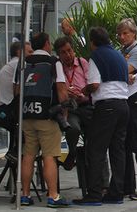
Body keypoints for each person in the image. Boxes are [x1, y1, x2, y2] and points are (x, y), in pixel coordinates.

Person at [73, 27, 130, 206]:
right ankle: (117, 192)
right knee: (117, 150)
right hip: (123, 105)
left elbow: (95, 84)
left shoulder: (96, 56)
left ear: (92, 42)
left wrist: (84, 90)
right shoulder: (119, 56)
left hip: (106, 106)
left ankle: (95, 193)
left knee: (95, 149)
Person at [15, 32, 70, 207]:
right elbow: (61, 89)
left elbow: (16, 90)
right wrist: (65, 111)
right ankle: (53, 196)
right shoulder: (54, 63)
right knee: (49, 156)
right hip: (47, 115)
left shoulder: (23, 63)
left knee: (28, 154)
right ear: (47, 43)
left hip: (27, 114)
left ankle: (24, 195)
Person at [116, 18, 137, 201]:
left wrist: (123, 71)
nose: (122, 37)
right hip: (122, 98)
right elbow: (117, 70)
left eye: (125, 33)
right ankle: (127, 186)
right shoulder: (119, 51)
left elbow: (119, 69)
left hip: (135, 99)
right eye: (120, 34)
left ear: (134, 34)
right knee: (125, 144)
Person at [54, 36, 91, 171]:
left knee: (94, 134)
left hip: (85, 105)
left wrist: (83, 93)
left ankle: (99, 181)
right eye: (63, 52)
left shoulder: (82, 63)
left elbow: (91, 83)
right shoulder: (57, 68)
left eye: (69, 50)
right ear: (59, 54)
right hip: (70, 109)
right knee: (72, 128)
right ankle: (73, 152)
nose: (68, 55)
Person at [0, 42, 31, 162]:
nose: (33, 54)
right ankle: (16, 153)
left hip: (1, 110)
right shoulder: (19, 64)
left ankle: (15, 154)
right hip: (6, 111)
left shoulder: (11, 64)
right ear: (19, 52)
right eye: (30, 52)